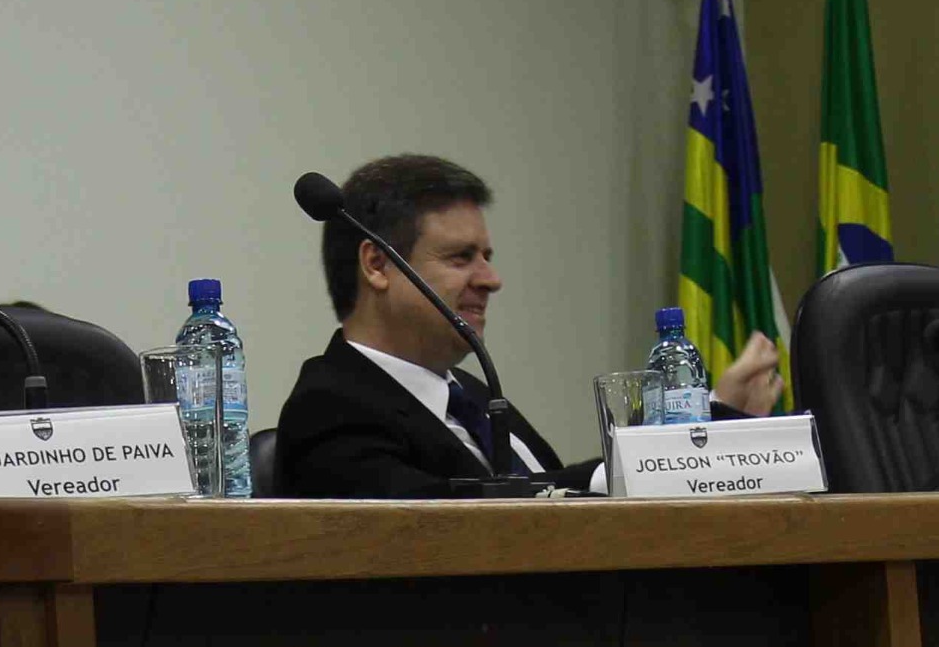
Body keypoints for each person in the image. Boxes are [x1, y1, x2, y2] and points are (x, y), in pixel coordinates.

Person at [273, 152, 781, 499]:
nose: (490, 280)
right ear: (376, 265)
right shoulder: (330, 407)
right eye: (460, 257)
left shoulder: (471, 396)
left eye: (487, 257)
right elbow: (459, 527)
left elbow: (547, 490)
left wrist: (708, 419)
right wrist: (625, 472)